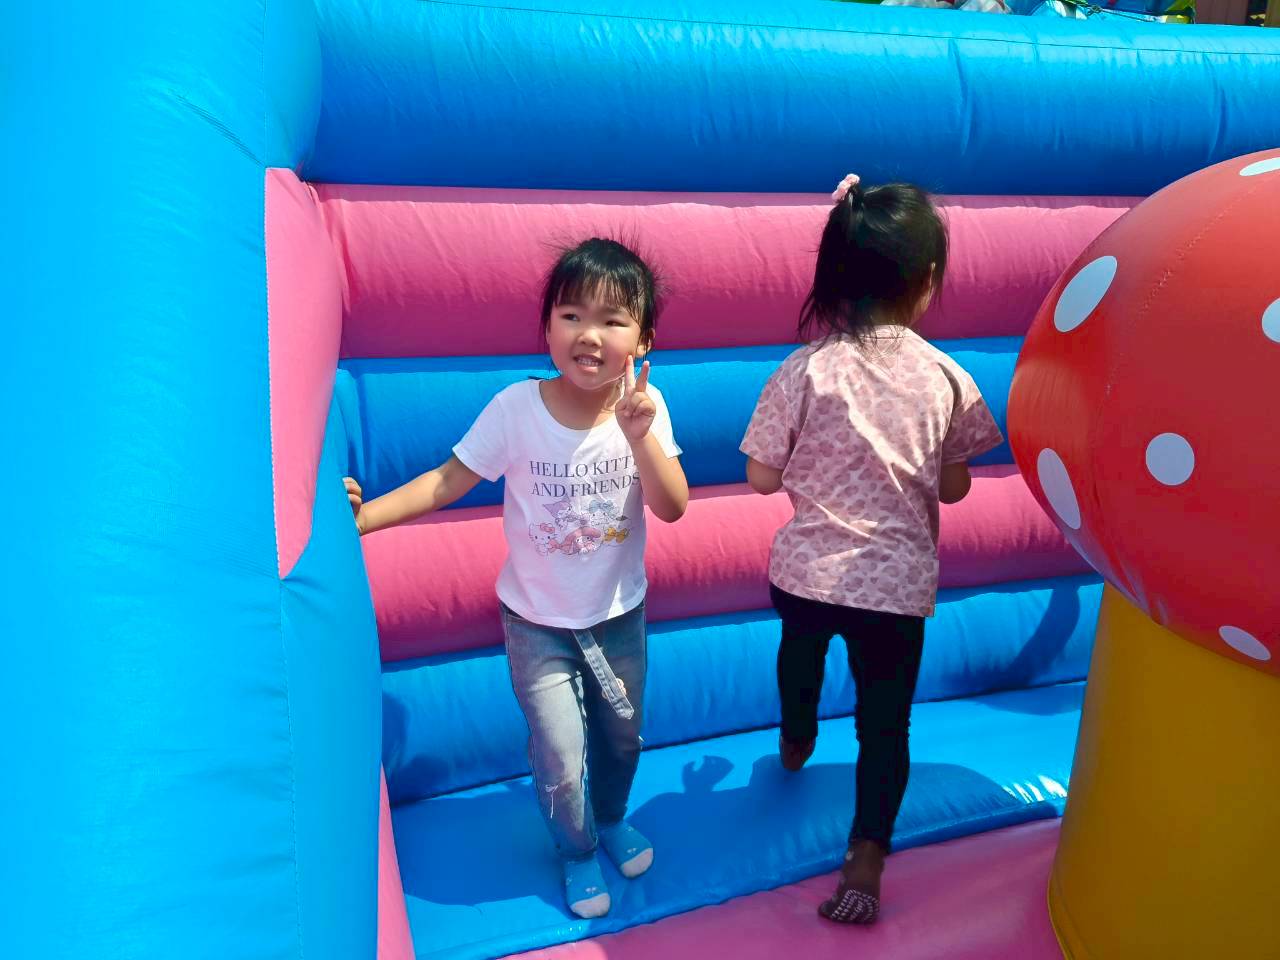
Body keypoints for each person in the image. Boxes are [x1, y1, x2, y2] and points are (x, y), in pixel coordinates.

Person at [346, 238, 688, 919]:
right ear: (547, 328)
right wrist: (363, 519)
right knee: (560, 753)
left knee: (623, 737)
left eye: (613, 320)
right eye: (571, 315)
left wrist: (640, 435)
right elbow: (447, 480)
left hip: (618, 615)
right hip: (537, 622)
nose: (589, 334)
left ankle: (612, 818)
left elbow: (672, 505)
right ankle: (576, 850)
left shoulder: (646, 409)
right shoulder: (515, 409)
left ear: (644, 339)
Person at [741, 174, 1003, 924]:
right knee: (885, 726)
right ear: (927, 279)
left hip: (807, 575)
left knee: (800, 651)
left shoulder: (804, 370)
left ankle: (796, 734)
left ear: (836, 277)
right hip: (893, 590)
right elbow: (954, 488)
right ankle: (865, 855)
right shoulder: (947, 377)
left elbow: (760, 476)